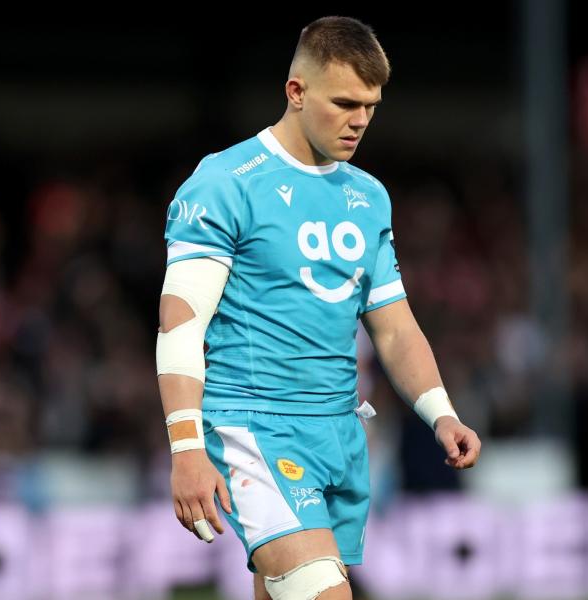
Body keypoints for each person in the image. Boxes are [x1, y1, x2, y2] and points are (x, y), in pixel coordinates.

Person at [156, 16, 481, 600]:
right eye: (345, 102)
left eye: (372, 106)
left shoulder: (367, 196)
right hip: (253, 428)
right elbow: (180, 324)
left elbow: (395, 326)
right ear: (296, 92)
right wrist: (184, 450)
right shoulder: (225, 182)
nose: (360, 120)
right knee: (326, 592)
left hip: (338, 432)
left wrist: (441, 413)